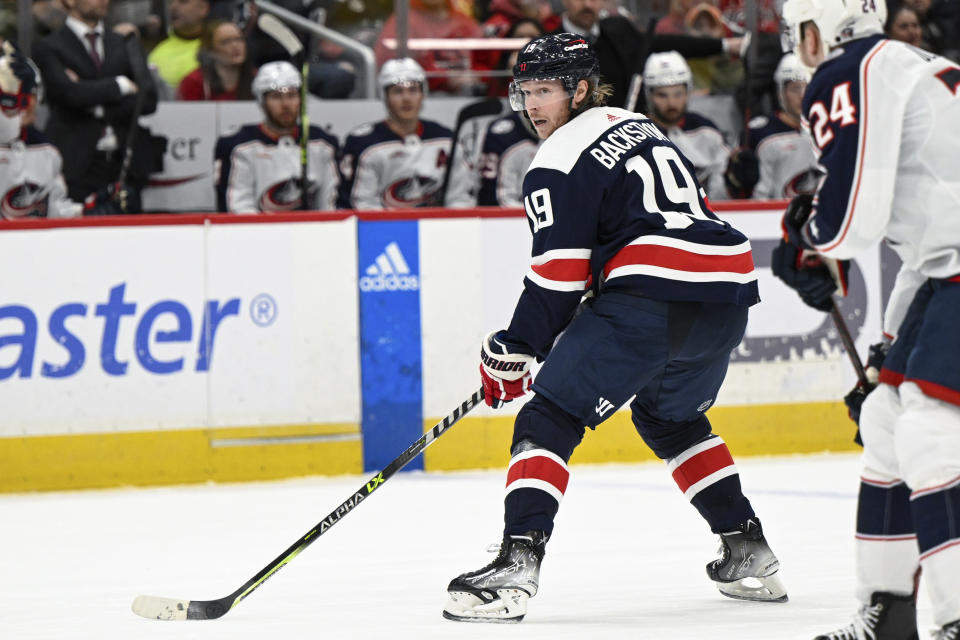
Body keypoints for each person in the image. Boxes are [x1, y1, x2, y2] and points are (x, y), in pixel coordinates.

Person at [442, 33, 786, 624]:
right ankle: (748, 548)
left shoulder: (554, 160)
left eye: (544, 90)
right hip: (727, 291)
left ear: (579, 89)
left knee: (547, 414)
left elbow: (558, 277)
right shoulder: (637, 124)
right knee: (669, 417)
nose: (530, 105)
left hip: (653, 294)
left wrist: (515, 348)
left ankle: (516, 566)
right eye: (523, 90)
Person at [772, 0, 960, 636]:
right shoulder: (904, 64)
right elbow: (924, 241)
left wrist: (809, 239)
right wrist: (887, 348)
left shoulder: (851, 69)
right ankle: (890, 614)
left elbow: (851, 221)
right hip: (945, 269)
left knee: (931, 433)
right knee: (887, 416)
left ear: (821, 21)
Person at [32, 0, 160, 210]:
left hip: (125, 165)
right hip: (76, 165)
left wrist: (91, 98)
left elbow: (148, 100)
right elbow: (68, 95)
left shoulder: (125, 42)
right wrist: (121, 85)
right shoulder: (49, 46)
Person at [552, 0, 748, 109]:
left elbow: (662, 43)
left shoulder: (618, 29)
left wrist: (724, 45)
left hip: (628, 136)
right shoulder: (548, 48)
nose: (588, 4)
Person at [214, 61, 339, 213]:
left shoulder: (322, 143)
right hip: (257, 234)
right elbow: (237, 209)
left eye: (292, 95)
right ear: (262, 101)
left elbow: (330, 206)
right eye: (276, 96)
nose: (286, 104)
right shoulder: (239, 146)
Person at [337, 58, 452, 209]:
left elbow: (459, 197)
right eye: (398, 91)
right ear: (385, 97)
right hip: (382, 229)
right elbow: (363, 204)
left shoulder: (446, 139)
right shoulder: (364, 144)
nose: (406, 98)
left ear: (423, 94)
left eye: (413, 90)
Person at [0, 42, 81, 219]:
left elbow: (54, 210)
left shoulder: (46, 149)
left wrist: (88, 209)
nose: (29, 103)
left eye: (32, 94)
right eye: (14, 96)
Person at [724, 52, 818, 199]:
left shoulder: (831, 129)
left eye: (809, 86)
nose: (803, 95)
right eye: (795, 88)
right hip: (770, 218)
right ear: (781, 93)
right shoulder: (758, 134)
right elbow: (735, 194)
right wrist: (739, 184)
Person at [642, 51, 730, 201]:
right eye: (662, 95)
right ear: (649, 95)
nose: (671, 103)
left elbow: (722, 193)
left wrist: (735, 181)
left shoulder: (707, 132)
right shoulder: (635, 133)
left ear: (688, 92)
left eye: (678, 94)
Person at [374, 0, 490, 96]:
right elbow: (392, 67)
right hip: (425, 100)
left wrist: (477, 76)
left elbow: (487, 63)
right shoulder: (402, 23)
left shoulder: (465, 23)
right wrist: (446, 79)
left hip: (469, 97)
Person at [177, 20, 254, 100]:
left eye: (239, 39)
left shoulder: (257, 78)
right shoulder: (194, 81)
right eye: (225, 42)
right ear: (210, 50)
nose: (235, 45)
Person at [147, 0, 210, 91]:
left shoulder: (218, 45)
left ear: (203, 8)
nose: (173, 7)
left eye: (183, 1)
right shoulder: (157, 53)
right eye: (170, 2)